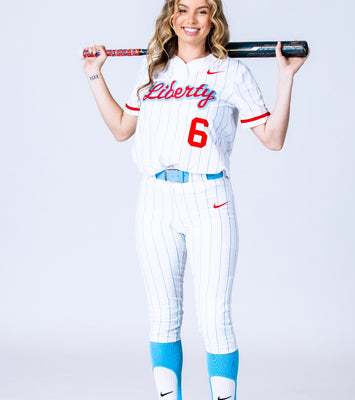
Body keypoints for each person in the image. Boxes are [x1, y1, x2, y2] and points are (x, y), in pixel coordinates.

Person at [83, 0, 308, 399]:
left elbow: (273, 139)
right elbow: (121, 129)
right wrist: (94, 75)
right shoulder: (153, 68)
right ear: (171, 17)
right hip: (155, 199)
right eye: (183, 9)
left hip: (209, 199)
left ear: (212, 19)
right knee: (163, 315)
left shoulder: (232, 72)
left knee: (215, 319)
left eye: (202, 10)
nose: (191, 19)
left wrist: (285, 77)